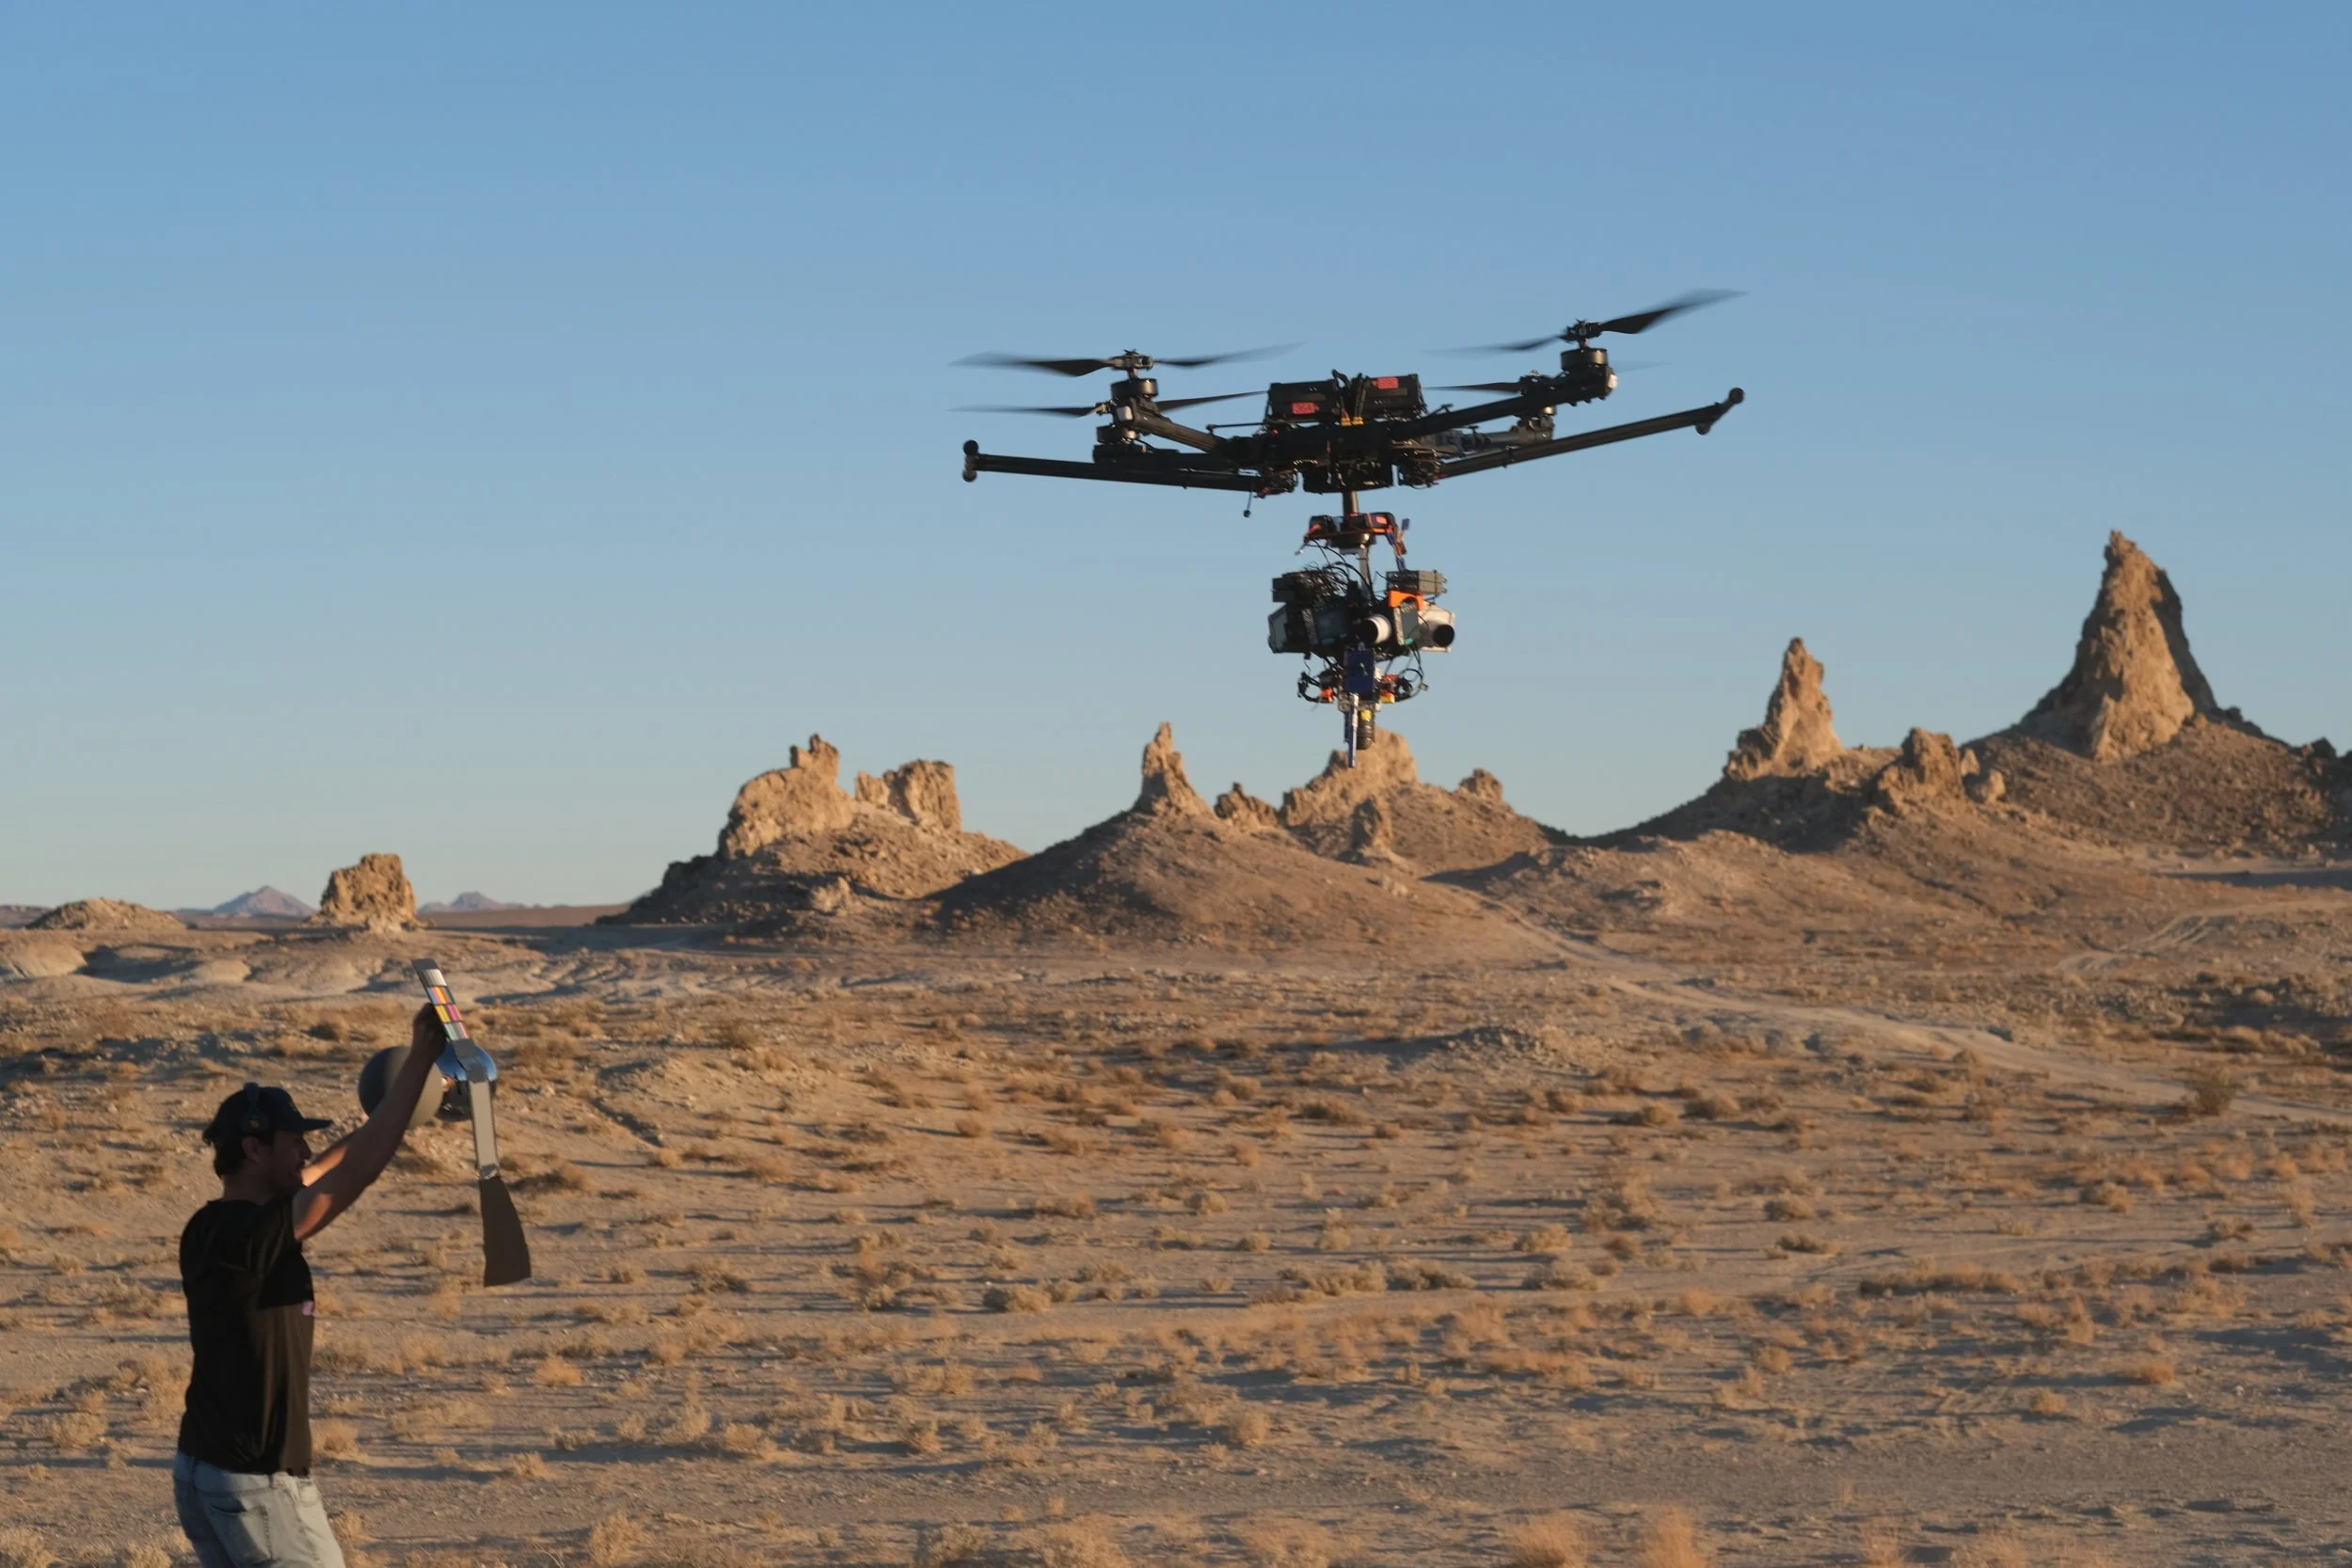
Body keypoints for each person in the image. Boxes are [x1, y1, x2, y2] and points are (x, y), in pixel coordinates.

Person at [173, 1006, 443, 1568]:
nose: (306, 1152)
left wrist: (402, 1103)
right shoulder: (248, 1237)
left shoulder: (212, 1224)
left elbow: (338, 1164)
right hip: (256, 1485)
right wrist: (419, 1059)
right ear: (254, 1150)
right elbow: (355, 1176)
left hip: (207, 1470)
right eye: (294, 1141)